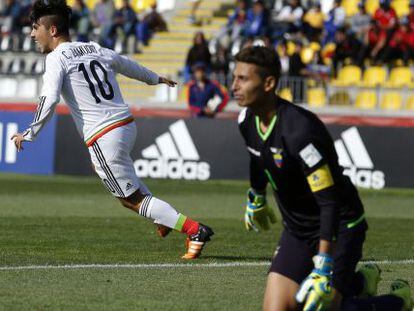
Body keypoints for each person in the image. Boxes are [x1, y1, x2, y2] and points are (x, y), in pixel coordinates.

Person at [11, 0, 213, 260]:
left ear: (52, 31)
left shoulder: (56, 59)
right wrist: (155, 78)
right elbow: (125, 63)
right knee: (121, 182)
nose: (31, 33)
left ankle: (194, 230)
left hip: (103, 134)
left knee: (129, 199)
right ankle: (162, 218)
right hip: (126, 126)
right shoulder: (93, 48)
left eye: (35, 27)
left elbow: (49, 99)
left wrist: (29, 133)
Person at [232, 46, 413, 311]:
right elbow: (256, 156)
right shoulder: (246, 119)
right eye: (234, 77)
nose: (234, 86)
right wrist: (256, 195)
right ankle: (360, 282)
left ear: (269, 83)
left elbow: (329, 202)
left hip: (340, 225)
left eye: (243, 79)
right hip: (297, 229)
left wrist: (324, 263)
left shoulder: (300, 132)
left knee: (321, 306)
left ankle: (398, 302)